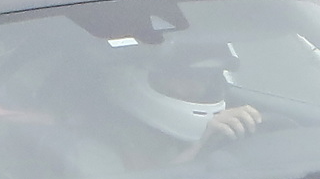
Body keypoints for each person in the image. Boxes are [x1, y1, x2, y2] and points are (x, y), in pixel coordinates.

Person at [111, 40, 263, 166]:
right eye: (188, 76)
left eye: (208, 76)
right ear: (153, 76)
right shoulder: (119, 141)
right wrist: (201, 147)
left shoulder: (224, 119)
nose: (201, 89)